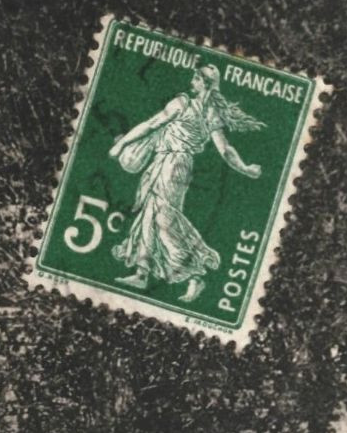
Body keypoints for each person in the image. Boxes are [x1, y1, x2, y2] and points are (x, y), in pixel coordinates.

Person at [108, 64, 265, 304]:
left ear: (204, 83)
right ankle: (142, 272)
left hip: (173, 164)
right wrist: (244, 167)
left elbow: (153, 124)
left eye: (196, 78)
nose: (192, 81)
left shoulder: (185, 104)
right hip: (172, 163)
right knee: (150, 213)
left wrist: (120, 144)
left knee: (163, 216)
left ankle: (194, 274)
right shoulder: (207, 112)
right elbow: (225, 150)